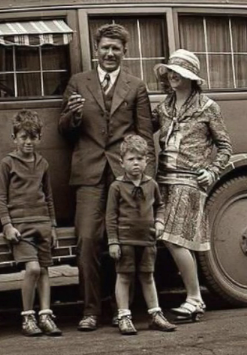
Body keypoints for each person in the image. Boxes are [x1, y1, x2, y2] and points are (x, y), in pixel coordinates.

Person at [59, 23, 155, 331]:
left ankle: (122, 310)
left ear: (124, 52)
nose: (110, 53)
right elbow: (64, 131)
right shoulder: (77, 82)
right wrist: (73, 115)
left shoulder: (136, 86)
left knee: (125, 243)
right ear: (95, 51)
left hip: (126, 178)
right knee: (87, 241)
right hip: (88, 174)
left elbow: (144, 134)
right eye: (105, 48)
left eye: (116, 48)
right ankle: (90, 310)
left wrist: (146, 180)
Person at [152, 49, 232, 321]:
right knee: (166, 238)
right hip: (164, 179)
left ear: (191, 78)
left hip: (189, 180)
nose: (173, 76)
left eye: (179, 73)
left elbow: (225, 147)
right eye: (171, 72)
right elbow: (141, 127)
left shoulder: (208, 107)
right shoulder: (164, 107)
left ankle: (195, 299)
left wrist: (212, 171)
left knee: (175, 240)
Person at [0, 110, 62, 337]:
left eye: (33, 137)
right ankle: (27, 317)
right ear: (14, 138)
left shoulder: (43, 163)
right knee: (32, 268)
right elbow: (1, 198)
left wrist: (52, 226)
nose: (28, 142)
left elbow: (49, 196)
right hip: (20, 227)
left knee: (44, 270)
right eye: (23, 137)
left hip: (42, 223)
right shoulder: (8, 163)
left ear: (39, 138)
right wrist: (7, 225)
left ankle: (45, 314)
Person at [106, 134, 176, 335]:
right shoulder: (117, 187)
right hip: (126, 239)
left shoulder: (151, 184)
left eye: (140, 159)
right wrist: (113, 241)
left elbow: (160, 206)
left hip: (147, 239)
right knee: (124, 276)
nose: (135, 163)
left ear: (146, 161)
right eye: (131, 159)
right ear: (122, 162)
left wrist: (159, 221)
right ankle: (124, 316)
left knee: (147, 276)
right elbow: (110, 216)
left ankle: (155, 314)